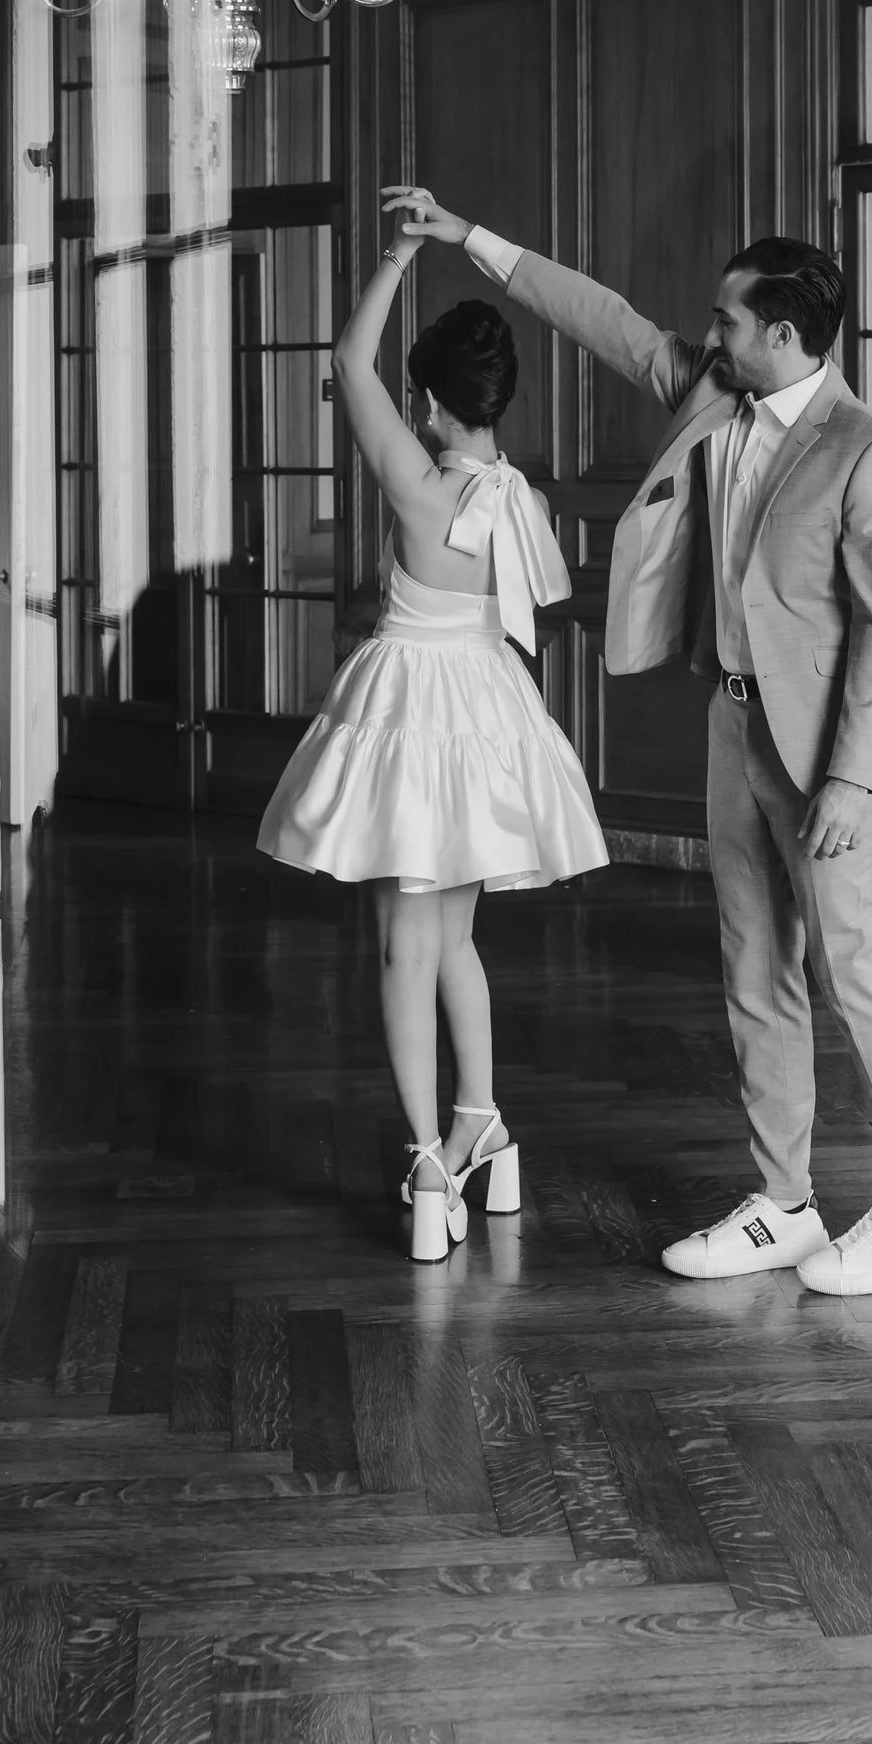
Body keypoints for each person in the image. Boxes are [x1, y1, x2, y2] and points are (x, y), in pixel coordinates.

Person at [385, 191, 872, 1299]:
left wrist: (853, 777)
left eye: (731, 322)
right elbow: (598, 315)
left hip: (828, 760)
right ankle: (784, 1203)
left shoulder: (864, 451)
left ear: (784, 335)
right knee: (754, 974)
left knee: (857, 977)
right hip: (732, 724)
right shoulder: (714, 393)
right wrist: (468, 235)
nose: (713, 335)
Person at [258, 196, 606, 1261]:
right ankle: (483, 1123)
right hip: (487, 708)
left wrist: (396, 254)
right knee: (454, 940)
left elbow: (346, 357)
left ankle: (427, 1170)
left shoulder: (416, 484)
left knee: (402, 950)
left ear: (431, 401)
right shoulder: (522, 499)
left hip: (411, 710)